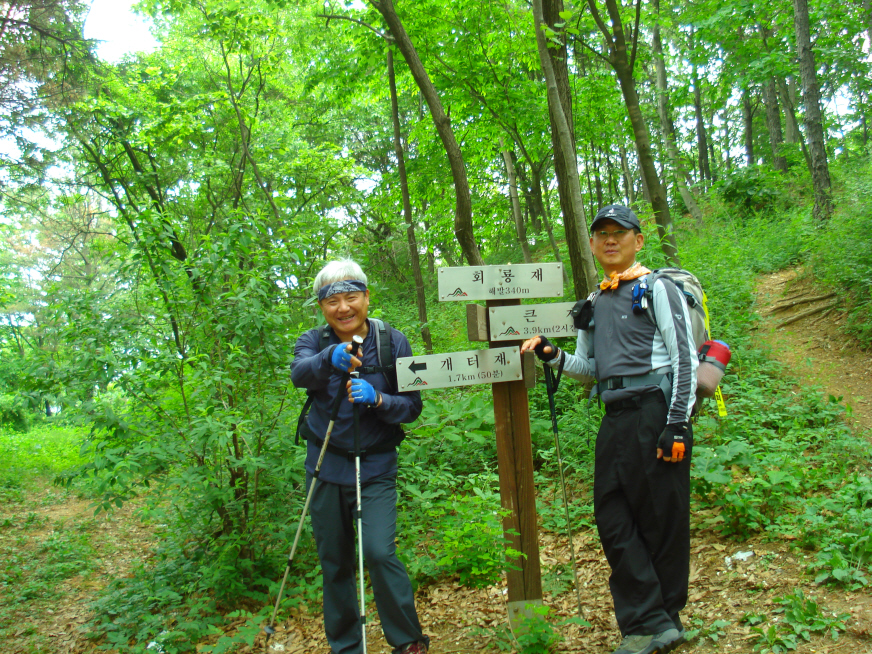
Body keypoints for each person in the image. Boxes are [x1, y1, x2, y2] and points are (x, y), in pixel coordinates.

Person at [521, 205, 697, 654]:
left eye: (620, 233)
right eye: (602, 234)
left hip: (656, 410)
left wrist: (677, 425)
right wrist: (551, 355)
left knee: (662, 518)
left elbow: (684, 361)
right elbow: (589, 369)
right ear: (594, 245)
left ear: (638, 240)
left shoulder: (658, 288)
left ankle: (659, 622)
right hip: (615, 417)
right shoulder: (595, 300)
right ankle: (648, 620)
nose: (610, 240)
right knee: (613, 518)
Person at [291, 260, 429, 654]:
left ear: (367, 298)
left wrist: (380, 399)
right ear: (322, 307)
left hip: (376, 466)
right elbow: (300, 373)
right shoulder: (313, 341)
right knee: (334, 561)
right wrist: (328, 359)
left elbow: (412, 405)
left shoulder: (393, 342)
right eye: (332, 301)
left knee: (379, 552)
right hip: (324, 466)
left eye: (352, 297)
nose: (343, 308)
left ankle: (407, 640)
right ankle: (346, 645)